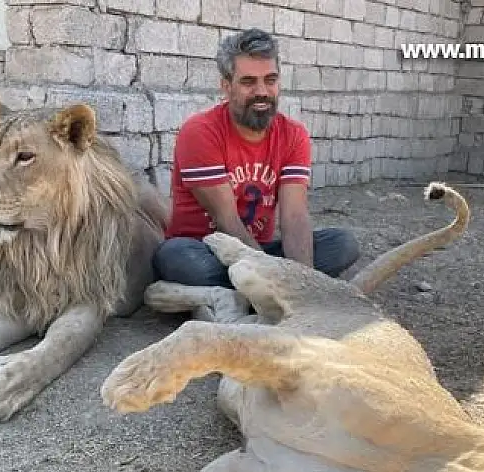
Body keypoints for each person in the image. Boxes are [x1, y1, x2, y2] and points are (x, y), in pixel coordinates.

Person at [152, 27, 360, 321]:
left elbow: (294, 217)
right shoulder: (200, 131)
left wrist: (305, 284)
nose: (262, 91)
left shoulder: (293, 135)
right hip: (207, 250)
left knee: (342, 245)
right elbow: (227, 222)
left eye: (270, 80)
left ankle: (253, 296)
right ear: (226, 86)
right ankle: (265, 295)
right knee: (173, 258)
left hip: (258, 250)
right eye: (248, 81)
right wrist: (279, 276)